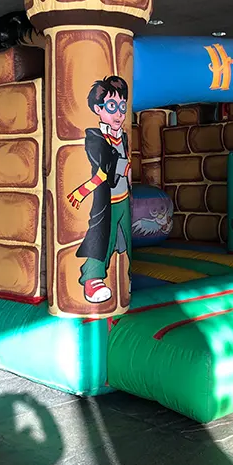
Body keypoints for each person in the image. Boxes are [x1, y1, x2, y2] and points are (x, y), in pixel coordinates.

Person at [67, 76, 132, 303]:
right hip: (108, 200)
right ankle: (92, 279)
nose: (119, 114)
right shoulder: (94, 137)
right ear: (98, 109)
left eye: (122, 107)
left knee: (126, 239)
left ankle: (127, 276)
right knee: (102, 237)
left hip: (124, 198)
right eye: (112, 106)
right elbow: (104, 170)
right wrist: (82, 191)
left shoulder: (123, 137)